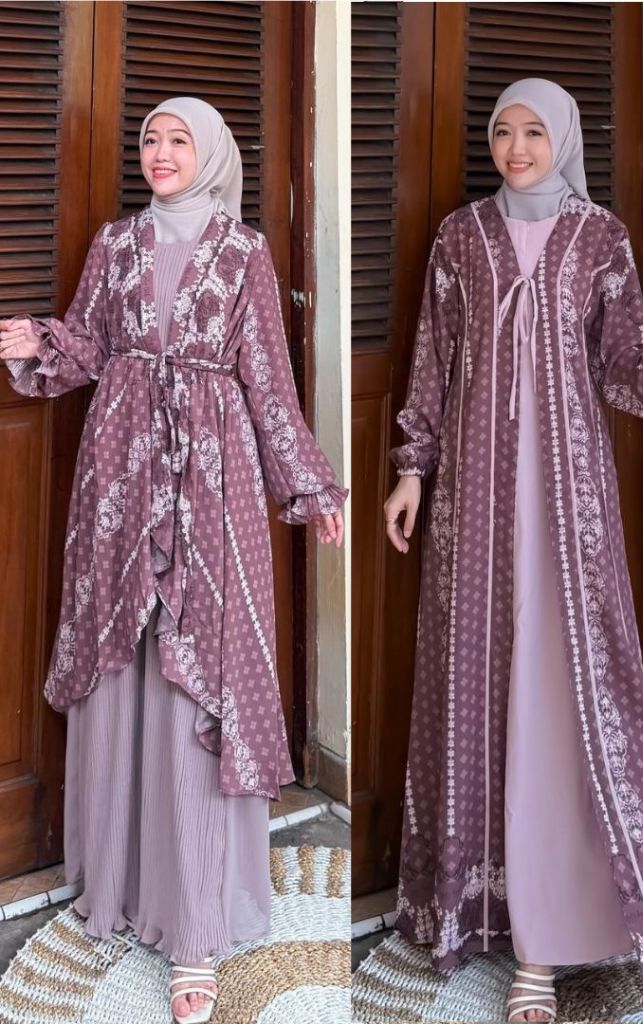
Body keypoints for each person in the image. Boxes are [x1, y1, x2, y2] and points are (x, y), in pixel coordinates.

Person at [0, 97, 345, 1024]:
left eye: (178, 139)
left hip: (212, 482)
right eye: (150, 139)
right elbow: (88, 343)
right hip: (118, 474)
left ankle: (196, 926)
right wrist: (40, 339)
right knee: (123, 668)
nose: (159, 152)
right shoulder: (115, 244)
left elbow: (268, 377)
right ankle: (118, 884)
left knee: (199, 681)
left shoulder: (245, 253)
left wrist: (309, 484)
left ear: (212, 153)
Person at [383, 78, 643, 1023]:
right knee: (486, 683)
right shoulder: (460, 237)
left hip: (569, 506)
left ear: (564, 139)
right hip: (477, 505)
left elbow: (620, 361)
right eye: (503, 131)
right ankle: (504, 924)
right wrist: (411, 471)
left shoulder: (600, 236)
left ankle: (568, 919)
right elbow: (431, 361)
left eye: (535, 132)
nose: (517, 147)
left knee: (574, 684)